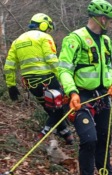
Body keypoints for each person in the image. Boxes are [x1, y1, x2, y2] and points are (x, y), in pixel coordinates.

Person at [58, 0, 112, 175]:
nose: (110, 24)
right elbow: (64, 69)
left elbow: (107, 68)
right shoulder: (75, 38)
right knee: (89, 139)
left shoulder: (106, 41)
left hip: (102, 97)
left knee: (103, 141)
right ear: (101, 19)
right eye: (109, 20)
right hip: (82, 97)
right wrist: (72, 92)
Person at [3, 13, 74, 145]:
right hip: (48, 80)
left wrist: (11, 85)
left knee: (50, 108)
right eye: (48, 28)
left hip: (32, 85)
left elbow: (9, 66)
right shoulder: (44, 37)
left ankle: (66, 135)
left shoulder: (17, 41)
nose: (48, 31)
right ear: (44, 24)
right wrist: (64, 79)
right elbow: (52, 61)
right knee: (62, 106)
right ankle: (44, 132)